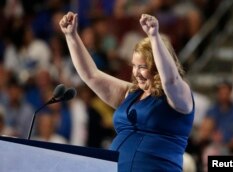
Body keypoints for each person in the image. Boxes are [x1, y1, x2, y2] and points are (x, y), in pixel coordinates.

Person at [59, 12, 194, 172]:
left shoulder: (180, 97)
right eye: (134, 66)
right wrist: (71, 35)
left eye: (142, 67)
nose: (136, 72)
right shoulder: (131, 93)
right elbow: (91, 75)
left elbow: (170, 80)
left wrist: (154, 37)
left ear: (157, 67)